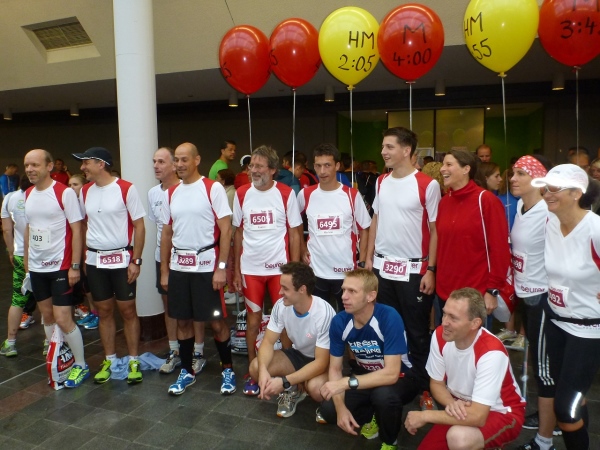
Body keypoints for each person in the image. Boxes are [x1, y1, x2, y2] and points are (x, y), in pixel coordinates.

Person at [365, 126, 441, 395]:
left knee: (417, 331)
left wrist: (431, 269)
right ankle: (391, 376)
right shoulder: (381, 181)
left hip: (414, 270)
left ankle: (423, 387)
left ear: (407, 150)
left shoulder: (428, 185)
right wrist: (368, 259)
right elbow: (375, 220)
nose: (383, 152)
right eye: (383, 147)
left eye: (389, 147)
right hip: (382, 268)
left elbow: (435, 230)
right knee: (387, 327)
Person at [530, 164, 600, 450]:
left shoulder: (595, 229)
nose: (547, 194)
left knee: (565, 409)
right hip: (556, 324)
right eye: (545, 188)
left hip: (588, 332)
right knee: (574, 400)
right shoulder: (550, 221)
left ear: (576, 193)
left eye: (554, 188)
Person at [404, 288, 526, 449]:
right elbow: (437, 383)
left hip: (501, 412)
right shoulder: (441, 335)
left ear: (475, 323)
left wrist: (426, 416)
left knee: (459, 438)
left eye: (453, 318)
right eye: (445, 313)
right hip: (462, 408)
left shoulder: (491, 352)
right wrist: (451, 404)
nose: (444, 322)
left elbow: (478, 417)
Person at [159, 142, 236, 396]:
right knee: (182, 320)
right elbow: (167, 234)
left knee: (216, 322)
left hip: (207, 267)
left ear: (197, 160)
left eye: (184, 159)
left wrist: (221, 268)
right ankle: (186, 371)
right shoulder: (171, 193)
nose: (180, 164)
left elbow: (226, 229)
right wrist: (165, 271)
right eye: (177, 160)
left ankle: (227, 369)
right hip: (179, 267)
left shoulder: (212, 188)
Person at [319, 269, 419, 450]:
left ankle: (390, 442)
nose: (344, 296)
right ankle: (372, 414)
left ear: (370, 296)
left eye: (352, 291)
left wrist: (345, 383)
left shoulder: (389, 317)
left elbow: (391, 374)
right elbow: (335, 369)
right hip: (366, 375)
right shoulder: (340, 322)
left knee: (383, 396)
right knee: (329, 410)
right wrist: (341, 409)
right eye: (344, 290)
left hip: (402, 377)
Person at [232, 145, 303, 396]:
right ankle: (253, 370)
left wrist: (294, 271)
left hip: (279, 271)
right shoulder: (241, 193)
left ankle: (289, 372)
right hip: (251, 269)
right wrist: (236, 270)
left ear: (273, 170)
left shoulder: (285, 193)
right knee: (253, 321)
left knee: (284, 321)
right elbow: (238, 233)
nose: (253, 170)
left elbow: (295, 233)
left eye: (259, 166)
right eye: (251, 165)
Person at [72, 147, 146, 384]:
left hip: (122, 259)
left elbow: (140, 226)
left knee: (128, 311)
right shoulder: (85, 191)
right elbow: (83, 225)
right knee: (103, 311)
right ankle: (110, 360)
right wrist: (85, 256)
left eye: (86, 163)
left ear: (101, 164)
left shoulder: (126, 188)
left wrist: (136, 260)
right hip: (95, 261)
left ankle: (133, 359)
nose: (82, 167)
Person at [18, 150, 89, 388]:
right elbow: (29, 229)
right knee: (47, 316)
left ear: (49, 167)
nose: (30, 169)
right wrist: (27, 262)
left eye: (35, 165)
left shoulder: (64, 193)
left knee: (63, 317)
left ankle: (81, 365)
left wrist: (75, 266)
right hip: (37, 268)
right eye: (27, 165)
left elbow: (77, 230)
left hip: (61, 266)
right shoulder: (28, 194)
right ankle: (59, 355)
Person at [508, 156, 560, 450]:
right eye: (513, 173)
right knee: (540, 365)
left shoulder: (548, 212)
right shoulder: (520, 207)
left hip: (543, 298)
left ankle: (545, 439)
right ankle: (551, 417)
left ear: (538, 179)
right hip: (525, 297)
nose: (513, 178)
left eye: (521, 174)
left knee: (544, 370)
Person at [250, 262, 334, 418]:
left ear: (302, 289)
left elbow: (321, 362)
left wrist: (284, 381)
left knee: (316, 390)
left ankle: (298, 386)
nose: (280, 292)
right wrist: (263, 371)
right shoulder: (281, 306)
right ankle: (294, 390)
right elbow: (267, 342)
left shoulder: (323, 313)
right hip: (298, 355)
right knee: (256, 367)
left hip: (322, 361)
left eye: (285, 288)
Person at [435, 150, 511, 320]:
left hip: (475, 294)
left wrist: (493, 289)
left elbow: (499, 249)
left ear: (466, 169)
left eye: (449, 164)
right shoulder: (444, 202)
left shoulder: (486, 201)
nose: (442, 169)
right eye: (443, 164)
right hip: (445, 292)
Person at [298, 143, 371, 311]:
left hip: (345, 270)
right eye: (318, 166)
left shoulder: (352, 195)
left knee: (349, 317)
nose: (322, 171)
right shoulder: (305, 194)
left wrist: (362, 261)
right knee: (317, 317)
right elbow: (295, 224)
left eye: (327, 165)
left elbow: (365, 228)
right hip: (316, 270)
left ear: (337, 166)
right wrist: (302, 248)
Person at [1, 175, 34, 357]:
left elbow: (7, 229)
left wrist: (11, 251)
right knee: (47, 300)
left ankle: (11, 343)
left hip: (21, 255)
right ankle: (50, 343)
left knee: (17, 299)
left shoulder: (9, 198)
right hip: (43, 257)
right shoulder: (43, 196)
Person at [68, 174, 99, 331]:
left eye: (75, 184)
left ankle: (98, 314)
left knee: (92, 282)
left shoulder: (87, 202)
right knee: (85, 284)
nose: (71, 188)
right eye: (69, 185)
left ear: (84, 185)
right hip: (78, 249)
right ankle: (93, 312)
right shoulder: (71, 203)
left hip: (89, 248)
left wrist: (86, 250)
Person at [216, 168, 238, 305]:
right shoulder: (228, 193)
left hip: (231, 236)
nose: (216, 180)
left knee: (231, 263)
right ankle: (231, 289)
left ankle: (235, 291)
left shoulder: (230, 194)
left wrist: (230, 236)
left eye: (217, 178)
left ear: (223, 181)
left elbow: (230, 218)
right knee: (230, 263)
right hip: (231, 234)